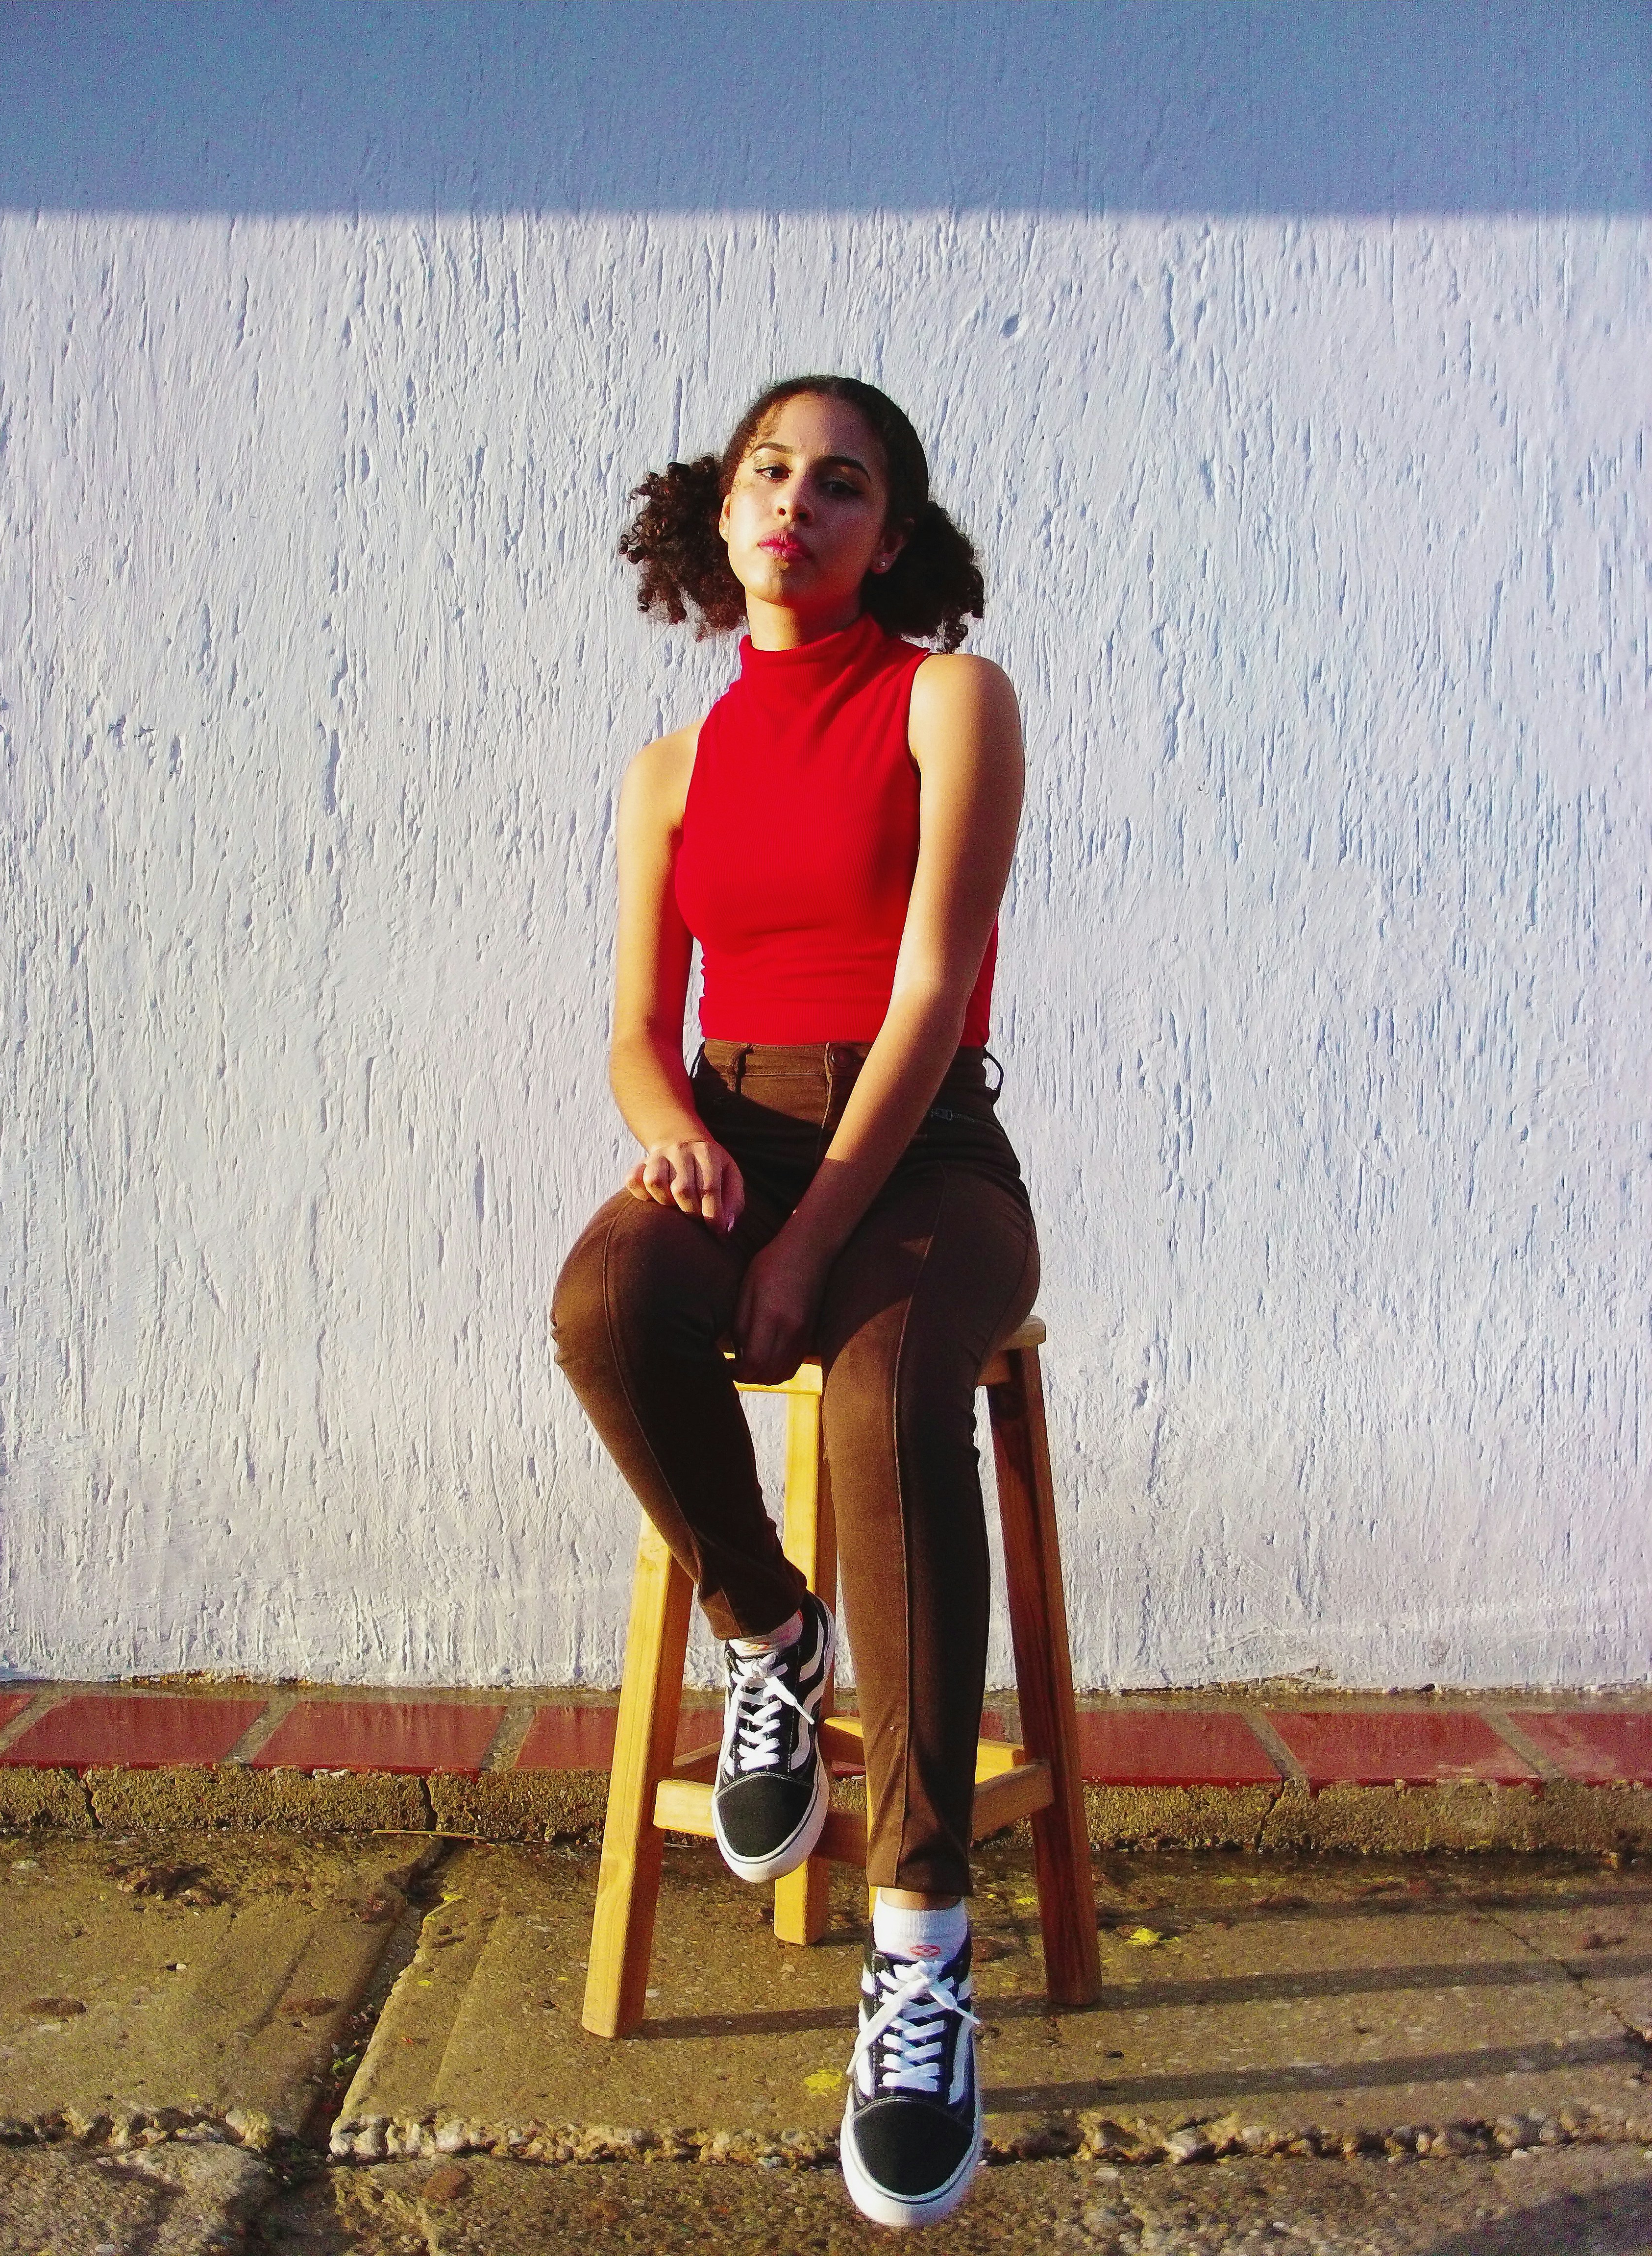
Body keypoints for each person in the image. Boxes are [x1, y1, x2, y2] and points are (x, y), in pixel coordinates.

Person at [549, 374, 1040, 2231]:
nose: (800, 505)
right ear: (723, 505)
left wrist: (813, 1242)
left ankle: (919, 1953)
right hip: (735, 1131)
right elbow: (628, 1031)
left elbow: (928, 994)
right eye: (774, 472)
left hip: (922, 1165)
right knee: (604, 1305)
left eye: (845, 485)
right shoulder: (667, 767)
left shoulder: (949, 700)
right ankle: (771, 1634)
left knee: (881, 1398)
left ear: (889, 533)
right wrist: (677, 1138)